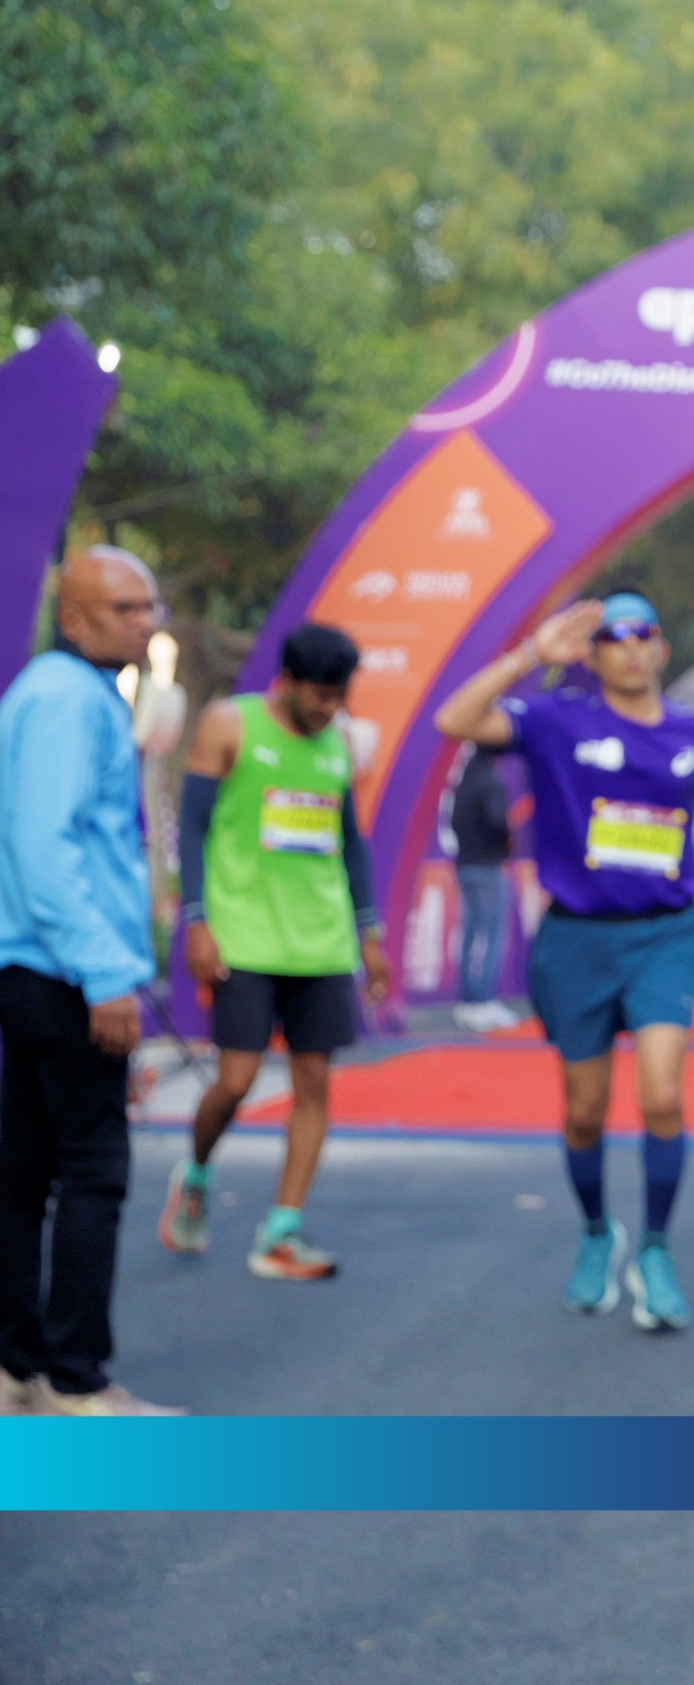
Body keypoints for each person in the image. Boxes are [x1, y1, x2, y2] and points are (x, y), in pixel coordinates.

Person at [433, 592, 694, 1333]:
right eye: (613, 637)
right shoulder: (557, 719)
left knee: (662, 1096)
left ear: (661, 648)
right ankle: (594, 1233)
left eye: (644, 634)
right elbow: (453, 720)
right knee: (583, 1110)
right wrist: (529, 657)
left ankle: (656, 1250)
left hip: (665, 936)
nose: (630, 647)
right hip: (576, 940)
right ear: (594, 654)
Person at [0, 547, 179, 1415]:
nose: (145, 623)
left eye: (150, 607)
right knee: (93, 1172)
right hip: (66, 974)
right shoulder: (69, 699)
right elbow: (45, 847)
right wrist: (107, 974)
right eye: (124, 609)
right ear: (73, 617)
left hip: (38, 967)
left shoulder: (63, 693)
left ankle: (15, 1370)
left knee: (23, 1174)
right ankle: (76, 1379)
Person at [162, 622, 393, 1280]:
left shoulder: (339, 742)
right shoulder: (229, 725)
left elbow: (350, 844)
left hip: (321, 944)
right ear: (287, 680)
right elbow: (194, 829)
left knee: (314, 1083)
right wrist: (197, 921)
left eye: (339, 697)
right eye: (319, 695)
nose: (329, 708)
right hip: (245, 939)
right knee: (235, 1081)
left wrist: (369, 934)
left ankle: (282, 1230)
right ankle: (197, 1171)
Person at [450, 741, 518, 1032]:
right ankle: (482, 1000)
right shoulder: (490, 781)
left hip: (465, 864)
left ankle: (468, 999)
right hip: (487, 866)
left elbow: (453, 821)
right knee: (491, 934)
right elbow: (497, 820)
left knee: (471, 933)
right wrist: (505, 843)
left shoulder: (464, 781)